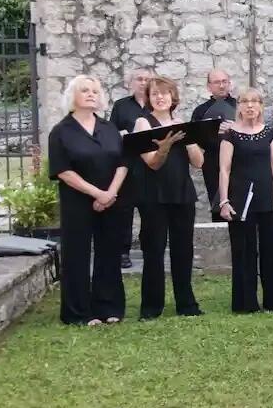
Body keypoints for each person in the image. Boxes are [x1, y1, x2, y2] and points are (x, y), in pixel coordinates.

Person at [48, 75, 128, 326]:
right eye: (85, 90)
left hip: (111, 200)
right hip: (77, 201)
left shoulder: (109, 128)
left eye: (95, 91)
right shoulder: (61, 131)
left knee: (110, 252)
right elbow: (63, 171)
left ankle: (109, 306)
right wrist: (96, 194)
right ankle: (79, 312)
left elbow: (123, 163)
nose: (91, 94)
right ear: (73, 96)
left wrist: (110, 193)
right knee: (77, 254)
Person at [132, 77, 205, 319]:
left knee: (183, 250)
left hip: (182, 193)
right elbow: (152, 163)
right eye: (155, 94)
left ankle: (186, 304)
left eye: (164, 93)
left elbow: (199, 162)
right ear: (148, 98)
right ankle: (151, 307)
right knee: (154, 250)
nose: (160, 97)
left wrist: (189, 137)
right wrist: (165, 146)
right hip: (154, 195)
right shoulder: (143, 123)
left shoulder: (181, 122)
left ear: (173, 97)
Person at [218, 87, 273, 313]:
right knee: (244, 250)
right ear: (239, 106)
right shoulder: (230, 134)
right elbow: (224, 169)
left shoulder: (269, 133)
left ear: (261, 106)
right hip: (241, 198)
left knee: (271, 249)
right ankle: (245, 303)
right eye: (245, 101)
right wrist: (224, 201)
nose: (250, 106)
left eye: (255, 101)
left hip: (267, 196)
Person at [108, 67, 153, 269]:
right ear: (131, 83)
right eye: (139, 79)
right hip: (127, 165)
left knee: (150, 211)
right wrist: (121, 135)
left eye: (147, 79)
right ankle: (122, 252)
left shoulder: (157, 104)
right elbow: (110, 132)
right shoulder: (121, 106)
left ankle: (149, 249)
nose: (143, 83)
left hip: (150, 166)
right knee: (124, 211)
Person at [190, 70, 236, 222]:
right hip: (212, 161)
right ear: (209, 86)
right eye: (217, 82)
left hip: (239, 160)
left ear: (229, 83)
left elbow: (255, 129)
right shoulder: (200, 111)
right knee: (217, 204)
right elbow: (194, 139)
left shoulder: (241, 106)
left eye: (224, 81)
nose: (221, 86)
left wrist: (235, 127)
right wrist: (212, 130)